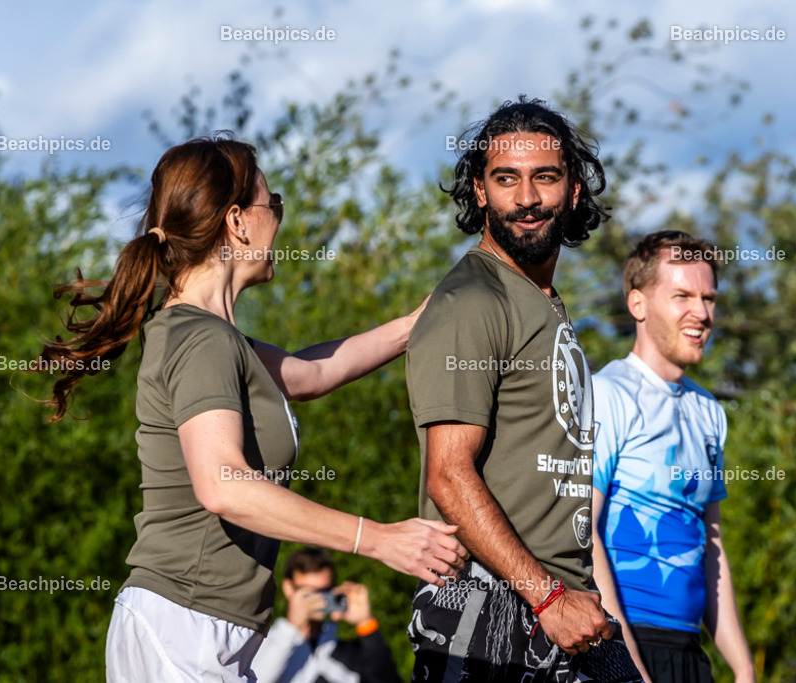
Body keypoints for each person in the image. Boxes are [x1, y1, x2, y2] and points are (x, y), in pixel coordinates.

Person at [34, 133, 466, 682]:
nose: (279, 220)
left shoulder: (215, 337)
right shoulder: (201, 340)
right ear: (237, 221)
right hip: (185, 625)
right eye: (273, 204)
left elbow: (312, 374)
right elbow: (224, 485)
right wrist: (378, 539)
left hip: (203, 626)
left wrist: (416, 325)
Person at [404, 97, 642, 682]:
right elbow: (448, 474)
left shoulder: (539, 301)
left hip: (566, 607)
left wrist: (561, 598)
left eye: (546, 178)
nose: (527, 198)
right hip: (492, 606)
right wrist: (547, 598)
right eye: (506, 179)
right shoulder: (473, 301)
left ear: (575, 192)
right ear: (480, 192)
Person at [591, 230, 755, 683]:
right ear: (637, 304)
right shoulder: (607, 394)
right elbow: (582, 533)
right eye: (682, 295)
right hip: (620, 642)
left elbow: (712, 547)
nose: (701, 313)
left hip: (689, 652)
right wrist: (626, 665)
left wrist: (743, 668)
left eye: (709, 298)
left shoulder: (710, 412)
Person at [253, 548, 401, 683]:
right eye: (308, 592)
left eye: (324, 591)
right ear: (288, 589)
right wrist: (291, 628)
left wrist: (366, 623)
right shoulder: (257, 644)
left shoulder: (345, 651)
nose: (318, 600)